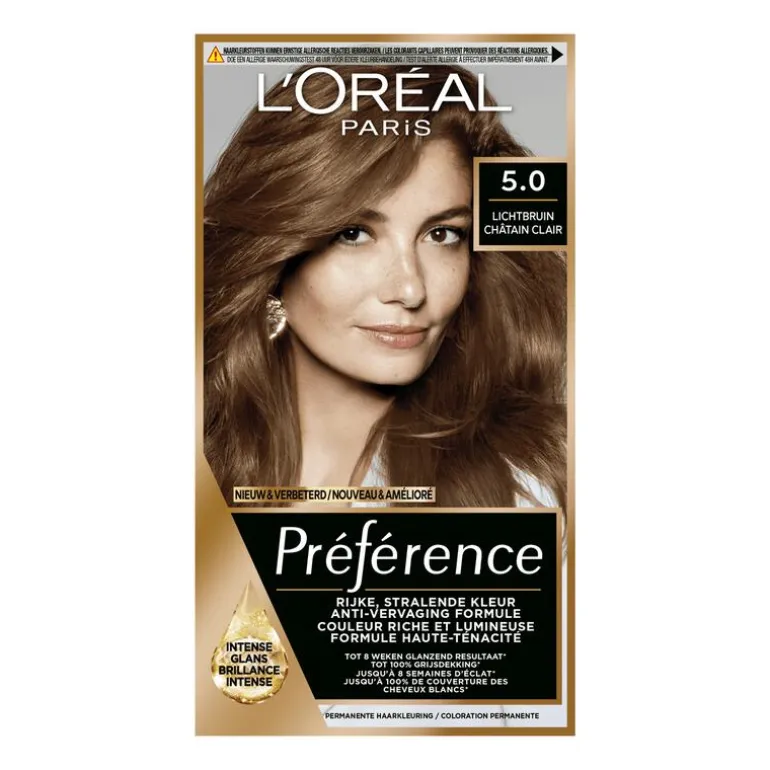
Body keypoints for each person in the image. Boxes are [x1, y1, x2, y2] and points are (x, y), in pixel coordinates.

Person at [203, 64, 566, 510]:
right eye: (354, 234)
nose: (411, 290)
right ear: (274, 255)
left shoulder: (531, 489)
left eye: (442, 235)